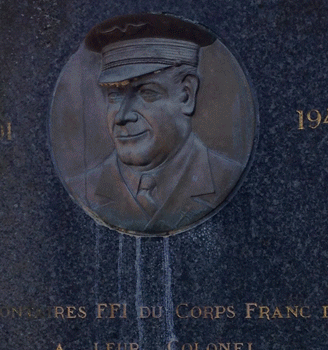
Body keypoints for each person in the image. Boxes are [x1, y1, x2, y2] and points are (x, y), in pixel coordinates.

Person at [70, 14, 245, 234]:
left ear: (186, 95)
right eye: (114, 96)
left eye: (146, 93)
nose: (122, 116)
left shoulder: (223, 177)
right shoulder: (85, 186)